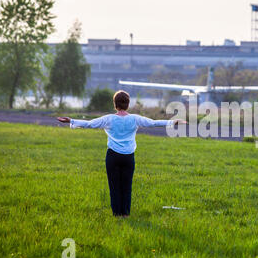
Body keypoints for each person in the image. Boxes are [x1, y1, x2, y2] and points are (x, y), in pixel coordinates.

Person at [57, 90, 186, 218]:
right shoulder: (135, 119)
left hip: (112, 156)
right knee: (126, 186)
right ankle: (125, 214)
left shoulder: (108, 119)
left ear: (115, 104)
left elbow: (89, 124)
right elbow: (153, 123)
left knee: (114, 186)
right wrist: (173, 122)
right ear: (128, 104)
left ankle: (117, 215)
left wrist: (71, 120)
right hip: (128, 157)